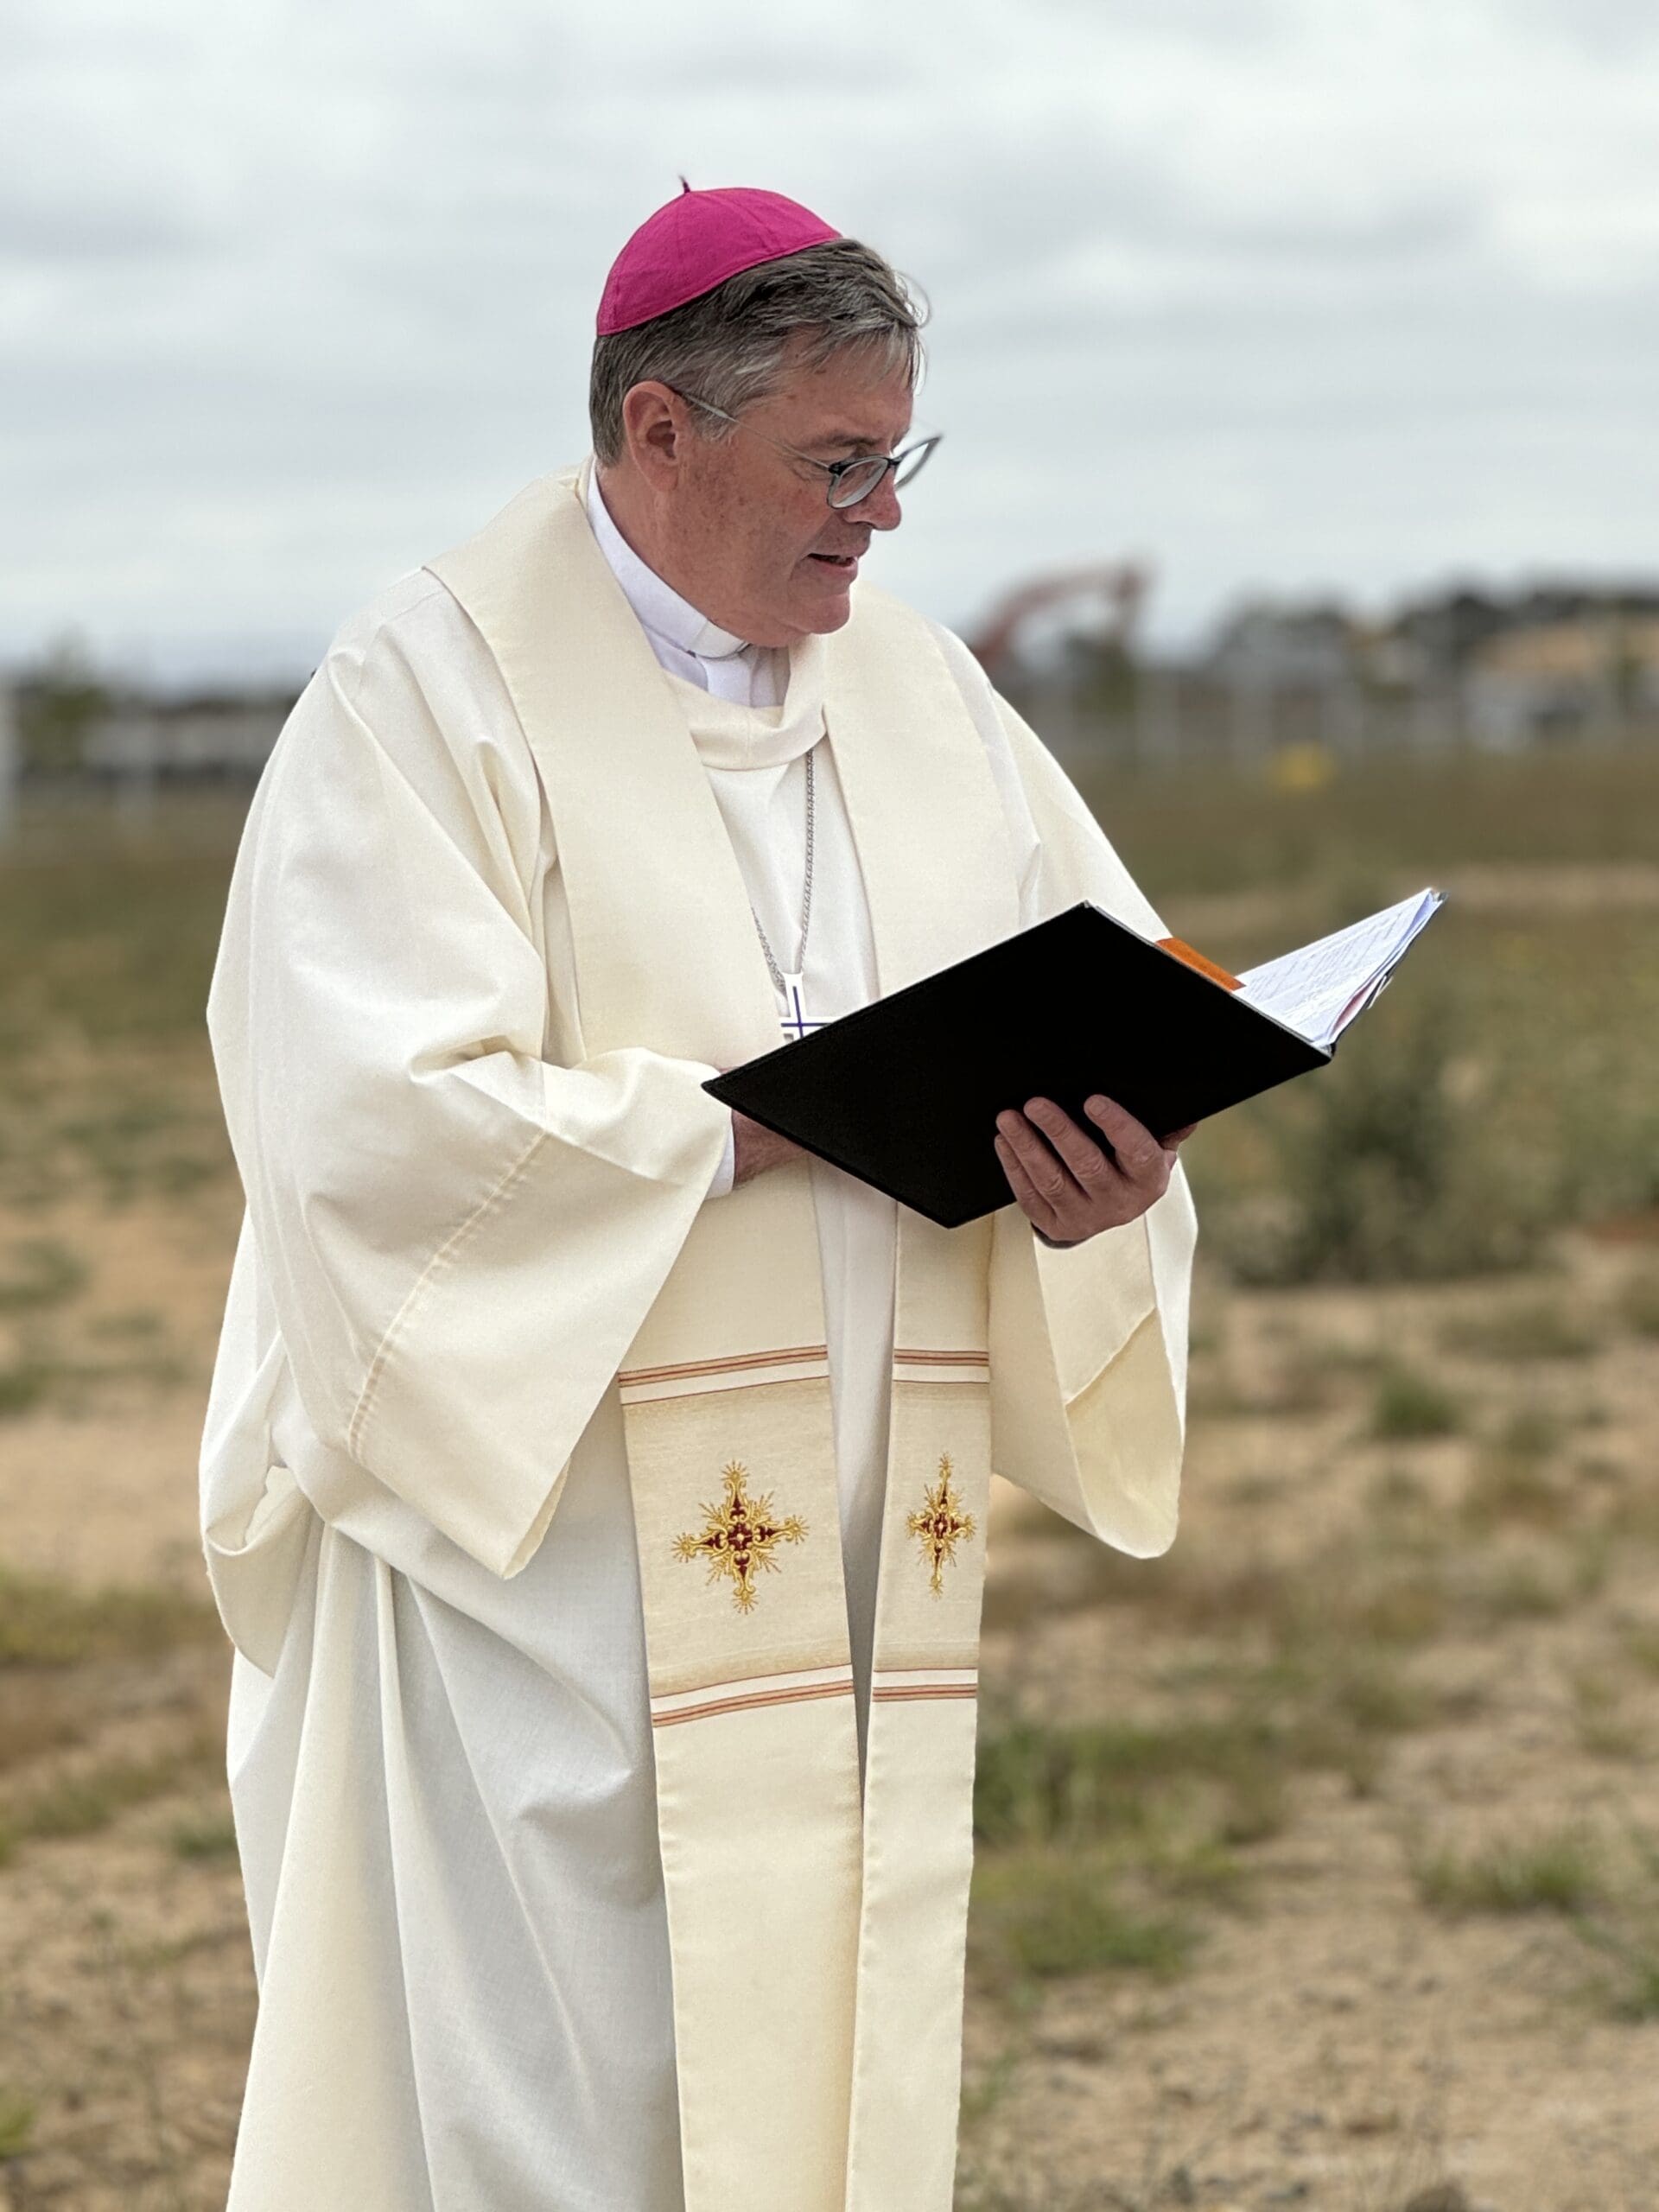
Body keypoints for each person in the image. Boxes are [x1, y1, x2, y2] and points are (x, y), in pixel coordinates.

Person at [199, 182, 1198, 2212]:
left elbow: (1108, 981)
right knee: (558, 2112)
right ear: (659, 428)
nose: (884, 514)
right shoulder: (430, 692)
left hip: (844, 1558)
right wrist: (755, 1123)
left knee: (824, 2066)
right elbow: (363, 1127)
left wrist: (1113, 1172)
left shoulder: (924, 697)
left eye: (898, 456)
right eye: (840, 461)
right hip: (540, 1592)